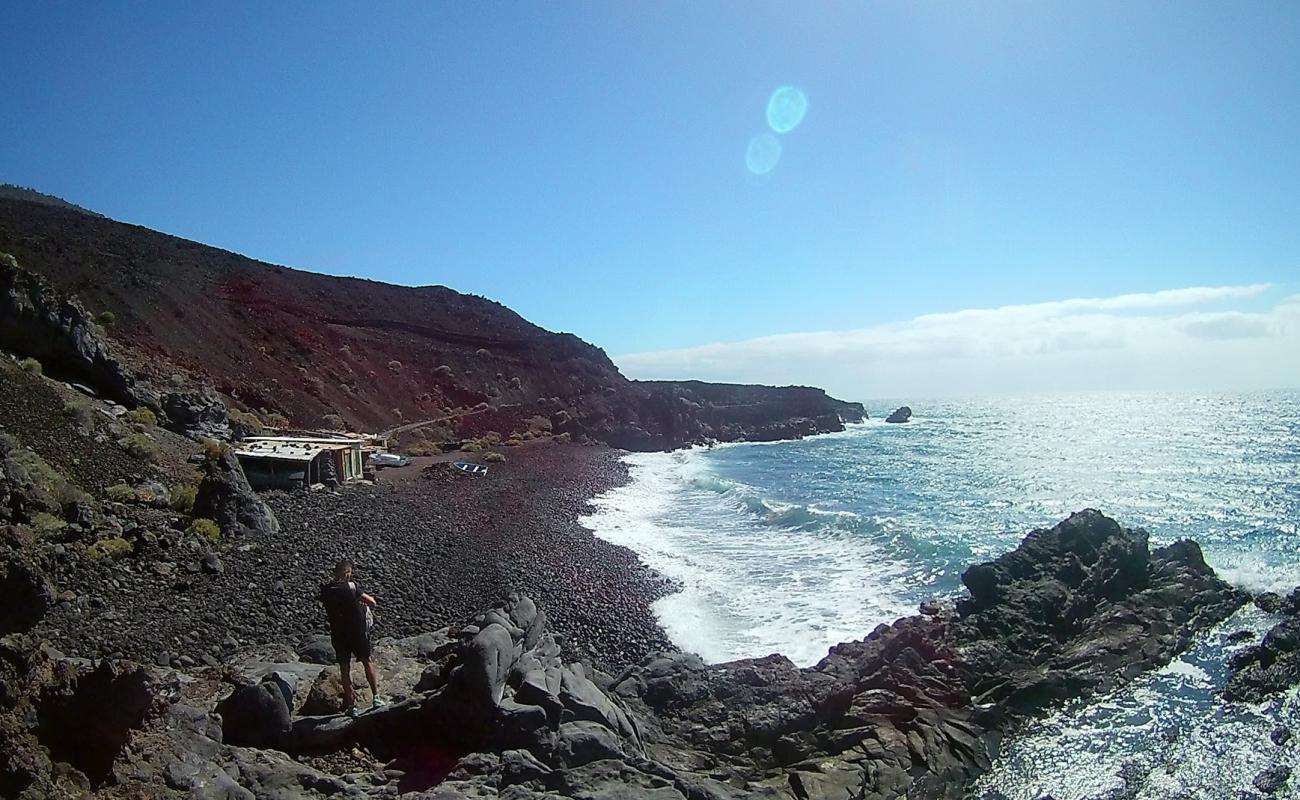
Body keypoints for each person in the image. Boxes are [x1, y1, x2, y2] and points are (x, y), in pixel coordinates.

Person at [319, 558, 384, 714]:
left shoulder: (326, 590)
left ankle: (351, 707)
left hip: (338, 633)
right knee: (367, 661)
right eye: (349, 573)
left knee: (344, 668)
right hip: (357, 632)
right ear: (346, 572)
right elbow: (372, 602)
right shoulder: (351, 586)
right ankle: (376, 698)